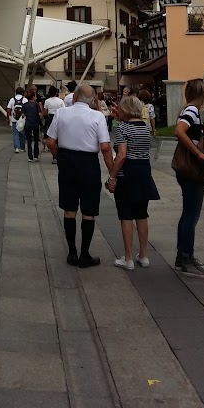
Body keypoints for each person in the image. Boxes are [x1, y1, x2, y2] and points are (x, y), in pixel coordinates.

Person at [46, 83, 114, 268]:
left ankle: (72, 252)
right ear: (93, 100)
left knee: (69, 208)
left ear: (74, 97)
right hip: (89, 163)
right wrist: (113, 173)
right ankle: (85, 254)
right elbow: (105, 147)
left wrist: (59, 157)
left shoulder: (61, 113)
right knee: (88, 210)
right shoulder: (98, 116)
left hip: (67, 160)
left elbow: (50, 141)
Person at [106, 96, 160, 270]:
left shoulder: (123, 128)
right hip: (144, 171)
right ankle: (143, 255)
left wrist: (112, 176)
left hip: (128, 171)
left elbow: (122, 155)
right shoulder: (145, 127)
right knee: (142, 214)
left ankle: (128, 258)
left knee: (126, 215)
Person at [174, 79, 204, 278]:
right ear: (202, 92)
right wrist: (199, 155)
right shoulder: (191, 111)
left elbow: (192, 138)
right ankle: (187, 259)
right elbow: (179, 132)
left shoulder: (190, 111)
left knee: (188, 214)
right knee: (192, 216)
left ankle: (182, 256)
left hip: (188, 171)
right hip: (191, 170)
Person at [43, 86, 65, 153]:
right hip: (59, 118)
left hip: (50, 118)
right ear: (56, 93)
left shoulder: (47, 101)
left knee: (48, 133)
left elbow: (45, 112)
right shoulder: (61, 101)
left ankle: (48, 146)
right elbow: (63, 110)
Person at [6, 86, 27, 153]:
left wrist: (8, 118)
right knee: (22, 133)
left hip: (14, 119)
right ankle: (22, 147)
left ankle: (17, 148)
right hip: (22, 120)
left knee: (15, 133)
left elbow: (8, 109)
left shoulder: (12, 99)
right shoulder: (25, 100)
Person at [23, 90, 42, 162]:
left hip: (28, 124)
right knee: (36, 140)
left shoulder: (25, 105)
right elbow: (40, 114)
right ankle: (36, 156)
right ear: (33, 97)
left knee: (29, 141)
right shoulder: (37, 105)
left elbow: (23, 115)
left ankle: (30, 156)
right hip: (35, 124)